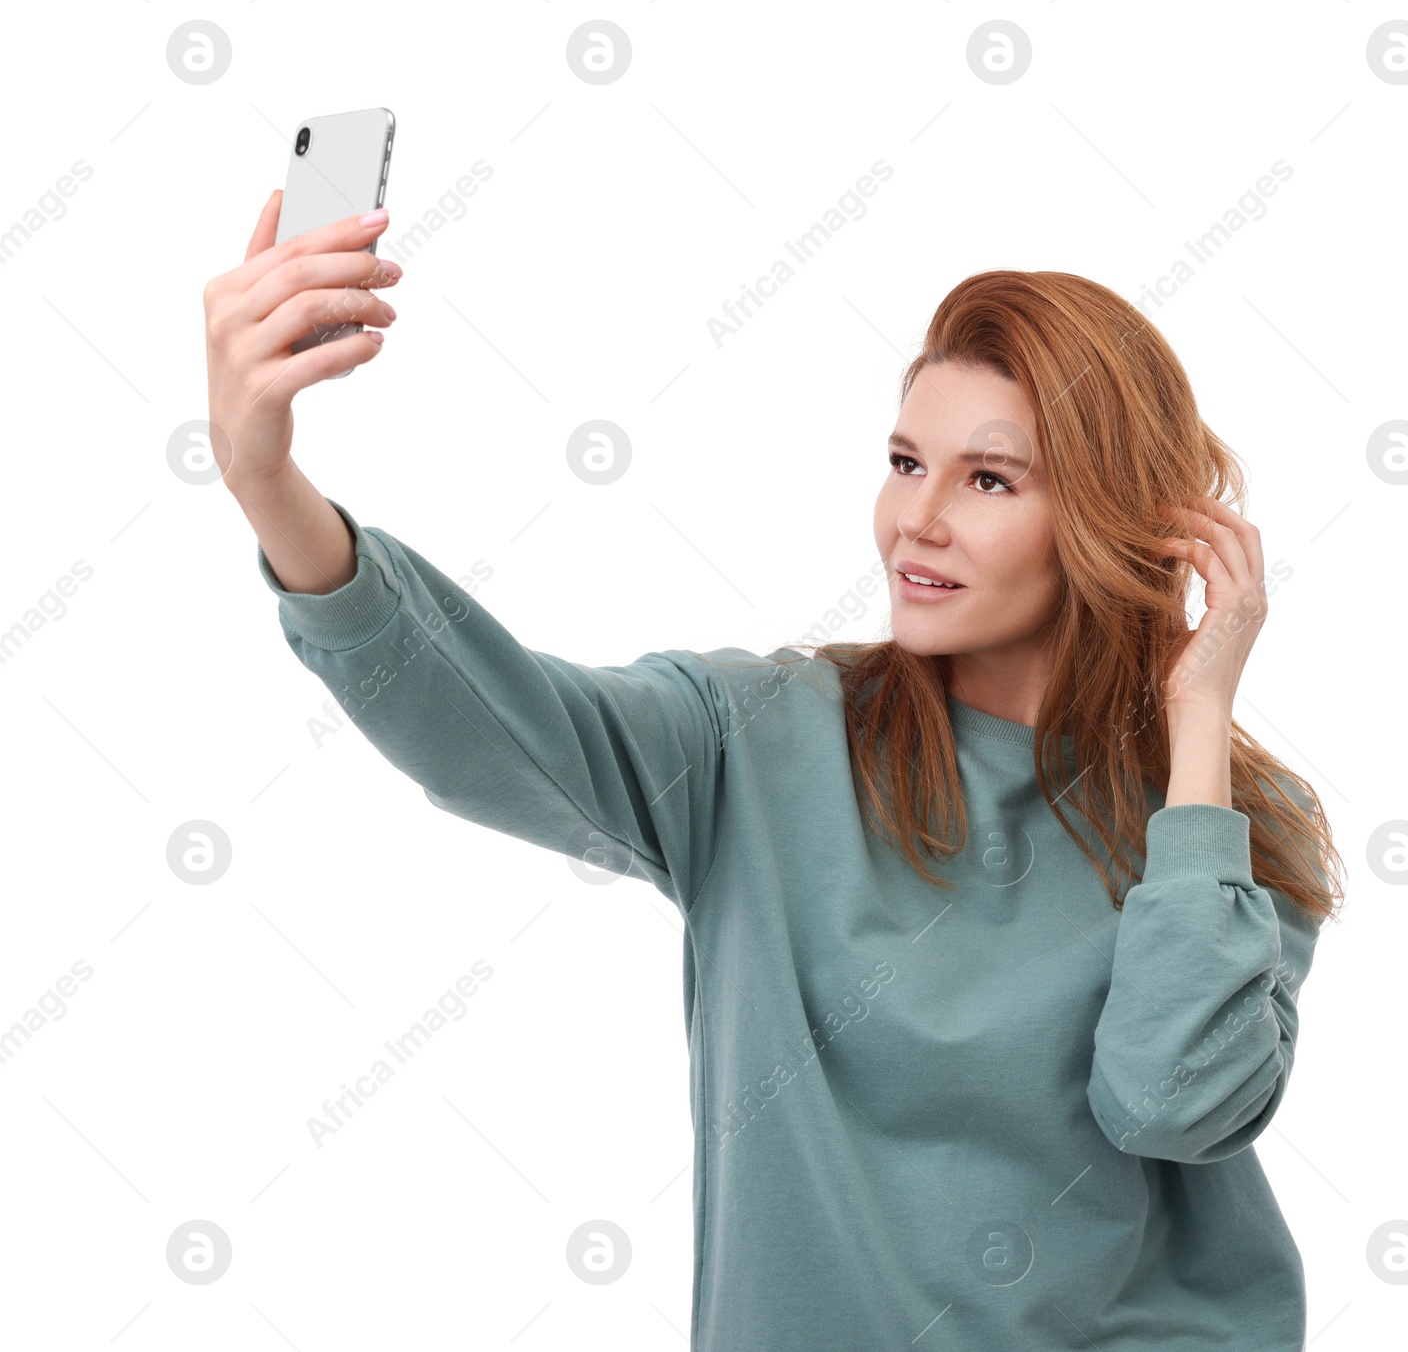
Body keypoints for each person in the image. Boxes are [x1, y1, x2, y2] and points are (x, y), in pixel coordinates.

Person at [204, 194, 1345, 1351]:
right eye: (905, 462)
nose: (917, 520)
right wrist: (268, 482)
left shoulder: (1230, 824)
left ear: (1111, 522)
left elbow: (1172, 1102)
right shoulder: (760, 741)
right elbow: (487, 717)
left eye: (989, 480)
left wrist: (1195, 718)